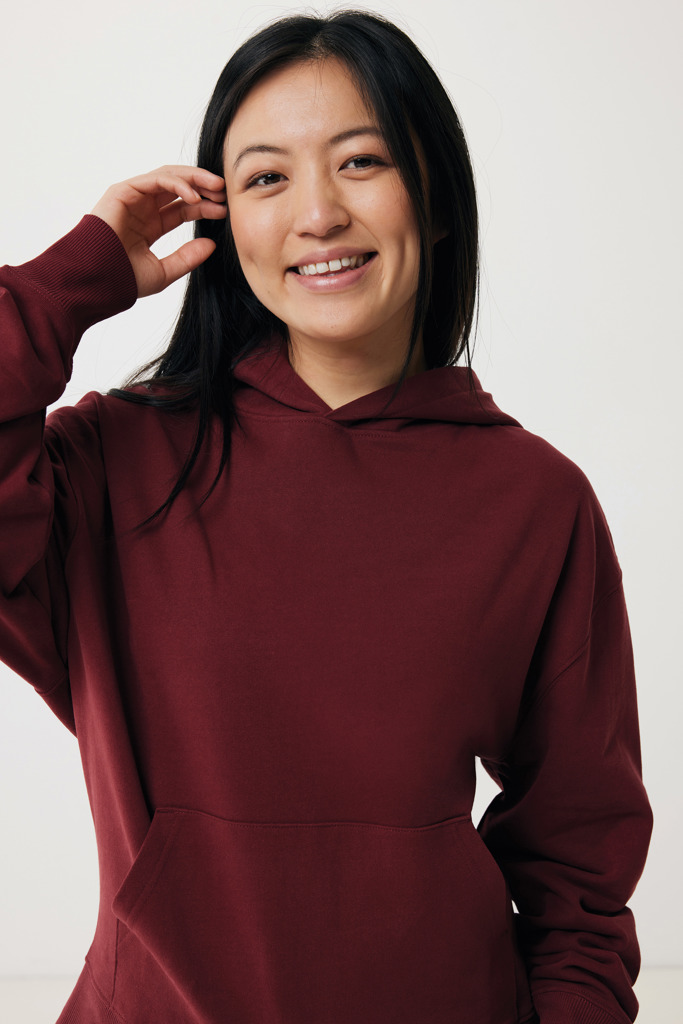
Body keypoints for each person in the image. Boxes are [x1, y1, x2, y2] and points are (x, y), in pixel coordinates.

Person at [0, 10, 652, 1024]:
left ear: (435, 198)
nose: (317, 213)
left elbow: (578, 873)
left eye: (360, 162)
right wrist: (77, 276)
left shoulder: (535, 501)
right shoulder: (117, 467)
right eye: (266, 178)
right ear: (224, 225)